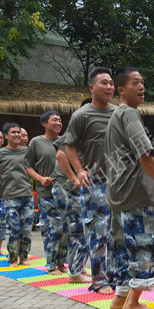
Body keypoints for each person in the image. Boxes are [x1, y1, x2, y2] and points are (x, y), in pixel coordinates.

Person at [105, 67, 154, 309]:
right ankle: (132, 304)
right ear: (121, 90)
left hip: (120, 193)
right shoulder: (130, 115)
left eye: (142, 82)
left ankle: (120, 297)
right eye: (135, 82)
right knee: (148, 246)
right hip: (134, 194)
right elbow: (144, 155)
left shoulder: (117, 116)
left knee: (126, 247)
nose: (141, 87)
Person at [65, 67, 117, 294]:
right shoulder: (81, 115)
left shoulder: (119, 113)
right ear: (92, 87)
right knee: (98, 232)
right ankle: (99, 281)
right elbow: (69, 146)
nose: (109, 87)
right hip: (94, 183)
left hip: (119, 183)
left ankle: (116, 278)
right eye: (104, 83)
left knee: (118, 233)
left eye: (111, 83)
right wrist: (79, 171)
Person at [0, 123, 34, 267]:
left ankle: (24, 257)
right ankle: (12, 258)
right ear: (6, 136)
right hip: (10, 196)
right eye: (13, 132)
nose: (17, 135)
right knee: (14, 228)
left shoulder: (27, 151)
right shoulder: (0, 153)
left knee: (26, 230)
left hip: (27, 195)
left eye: (19, 132)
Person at [24, 111, 66, 274]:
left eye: (60, 120)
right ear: (44, 124)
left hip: (66, 193)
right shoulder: (36, 142)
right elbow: (27, 165)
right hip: (46, 193)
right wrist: (40, 179)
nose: (58, 123)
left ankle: (62, 263)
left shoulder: (65, 142)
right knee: (52, 229)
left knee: (66, 230)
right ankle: (50, 265)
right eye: (54, 120)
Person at [53, 133, 91, 283]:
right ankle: (74, 273)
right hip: (66, 189)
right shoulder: (75, 130)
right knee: (78, 229)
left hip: (78, 192)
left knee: (83, 228)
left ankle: (78, 268)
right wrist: (73, 178)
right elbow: (60, 155)